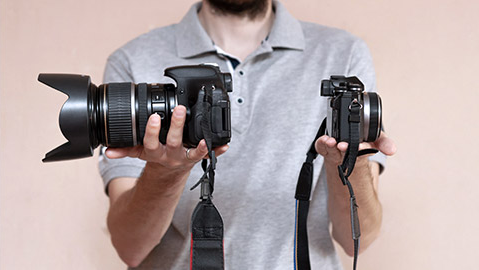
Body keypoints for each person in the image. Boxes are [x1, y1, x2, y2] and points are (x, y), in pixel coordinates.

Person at [99, 0, 397, 269]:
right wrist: (166, 170)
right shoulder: (132, 60)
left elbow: (359, 238)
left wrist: (350, 162)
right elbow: (130, 248)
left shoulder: (342, 53)